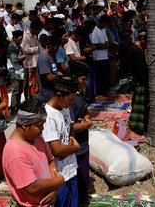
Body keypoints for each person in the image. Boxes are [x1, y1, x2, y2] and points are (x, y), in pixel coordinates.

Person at [2, 99, 64, 206]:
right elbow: (32, 187)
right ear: (25, 125)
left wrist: (53, 189)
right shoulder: (15, 153)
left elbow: (50, 160)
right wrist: (59, 182)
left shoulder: (37, 138)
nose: (43, 129)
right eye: (39, 126)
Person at [43, 75, 81, 207]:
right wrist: (74, 148)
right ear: (59, 95)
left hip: (71, 168)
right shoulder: (48, 117)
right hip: (59, 174)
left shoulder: (65, 108)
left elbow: (71, 128)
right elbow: (57, 150)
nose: (72, 102)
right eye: (70, 99)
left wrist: (69, 146)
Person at [67, 61, 93, 204]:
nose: (85, 82)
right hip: (76, 145)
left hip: (83, 143)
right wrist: (86, 124)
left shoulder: (79, 93)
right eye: (83, 79)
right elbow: (71, 127)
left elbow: (85, 109)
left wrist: (87, 117)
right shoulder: (70, 98)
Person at [128, 32, 149, 134]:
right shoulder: (135, 50)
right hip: (139, 80)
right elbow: (139, 68)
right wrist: (144, 78)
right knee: (138, 104)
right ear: (142, 39)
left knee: (137, 102)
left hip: (139, 80)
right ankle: (137, 125)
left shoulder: (138, 49)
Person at [37, 33, 61, 103]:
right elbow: (49, 77)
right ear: (50, 46)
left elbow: (55, 71)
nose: (57, 50)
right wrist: (60, 77)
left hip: (54, 90)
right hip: (47, 94)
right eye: (56, 47)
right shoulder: (43, 58)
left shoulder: (52, 55)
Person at [90, 15, 110, 95]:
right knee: (99, 77)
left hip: (105, 56)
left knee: (105, 76)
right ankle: (99, 92)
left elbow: (106, 42)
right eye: (104, 23)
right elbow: (94, 44)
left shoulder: (104, 29)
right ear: (101, 21)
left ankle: (104, 91)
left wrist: (104, 45)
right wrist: (104, 46)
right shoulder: (94, 30)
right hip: (97, 58)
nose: (105, 25)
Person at [22, 18, 42, 99]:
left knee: (34, 83)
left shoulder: (34, 36)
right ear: (33, 28)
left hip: (35, 62)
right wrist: (37, 49)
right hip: (28, 63)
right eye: (38, 30)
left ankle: (33, 97)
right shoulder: (25, 36)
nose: (38, 32)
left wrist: (36, 48)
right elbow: (26, 50)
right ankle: (27, 99)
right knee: (28, 83)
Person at [8, 30, 26, 115]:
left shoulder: (19, 47)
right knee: (15, 91)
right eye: (20, 39)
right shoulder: (11, 47)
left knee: (19, 91)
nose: (21, 40)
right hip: (14, 72)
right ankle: (14, 109)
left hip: (20, 71)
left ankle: (18, 107)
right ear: (14, 38)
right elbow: (15, 59)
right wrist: (24, 56)